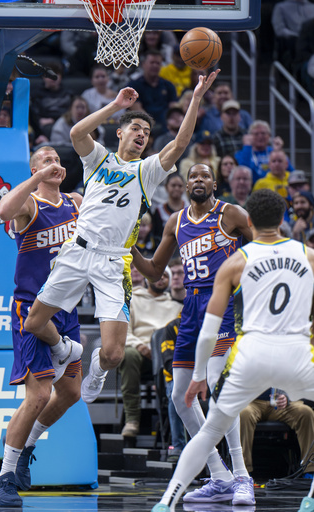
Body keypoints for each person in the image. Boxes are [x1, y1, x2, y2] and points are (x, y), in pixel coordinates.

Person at [23, 73, 220, 409]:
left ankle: (96, 368)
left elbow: (180, 144)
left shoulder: (147, 171)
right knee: (34, 323)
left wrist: (197, 98)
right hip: (77, 251)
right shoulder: (100, 158)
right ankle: (64, 348)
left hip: (113, 262)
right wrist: (115, 105)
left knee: (114, 353)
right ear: (120, 132)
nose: (142, 135)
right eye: (135, 129)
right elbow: (76, 133)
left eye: (146, 132)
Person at [150, 188, 314, 512]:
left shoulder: (235, 262)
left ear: (249, 220)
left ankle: (168, 502)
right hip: (297, 352)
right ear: (284, 219)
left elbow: (209, 329)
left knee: (211, 425)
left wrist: (198, 375)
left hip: (255, 352)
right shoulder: (308, 254)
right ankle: (308, 498)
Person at [132, 163, 254, 505]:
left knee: (214, 388)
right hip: (189, 310)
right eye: (192, 177)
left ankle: (243, 475)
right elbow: (155, 270)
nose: (197, 180)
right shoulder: (176, 221)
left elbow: (262, 245)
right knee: (180, 397)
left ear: (214, 183)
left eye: (204, 176)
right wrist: (129, 248)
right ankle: (219, 475)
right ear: (186, 185)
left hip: (221, 305)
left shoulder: (230, 214)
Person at [0, 146, 83, 507]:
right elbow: (3, 211)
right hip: (31, 308)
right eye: (46, 160)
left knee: (71, 393)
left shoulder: (75, 202)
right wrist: (36, 180)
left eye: (57, 161)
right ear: (33, 169)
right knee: (39, 395)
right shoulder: (29, 204)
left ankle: (26, 449)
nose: (54, 164)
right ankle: (4, 477)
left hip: (68, 309)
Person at [119, 269, 182, 437]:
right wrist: (141, 347)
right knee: (129, 355)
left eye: (165, 275)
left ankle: (174, 428)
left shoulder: (177, 307)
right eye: (158, 274)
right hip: (141, 352)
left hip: (167, 355)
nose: (161, 277)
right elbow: (124, 333)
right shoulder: (132, 301)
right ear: (147, 278)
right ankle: (132, 420)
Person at [240, 388, 314, 476]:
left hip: (281, 403)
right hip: (251, 402)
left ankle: (309, 469)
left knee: (305, 412)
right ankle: (243, 471)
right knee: (243, 413)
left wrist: (286, 395)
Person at [126, 50, 178, 136]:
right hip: (143, 126)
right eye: (152, 62)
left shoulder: (168, 85)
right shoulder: (133, 85)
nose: (155, 65)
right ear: (144, 64)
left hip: (166, 126)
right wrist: (151, 126)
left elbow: (173, 109)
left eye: (158, 63)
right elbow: (136, 109)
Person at [160, 314, 187, 462]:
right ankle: (178, 446)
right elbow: (168, 360)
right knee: (176, 396)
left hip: (204, 376)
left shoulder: (210, 323)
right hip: (176, 376)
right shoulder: (173, 327)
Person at [235, 120, 294, 184]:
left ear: (269, 136)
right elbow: (243, 174)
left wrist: (278, 152)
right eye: (256, 134)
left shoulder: (274, 151)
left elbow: (291, 173)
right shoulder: (242, 154)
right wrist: (247, 147)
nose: (260, 136)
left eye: (263, 133)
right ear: (250, 136)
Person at [153, 174, 189, 240]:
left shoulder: (190, 209)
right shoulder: (159, 210)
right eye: (173, 185)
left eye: (180, 186)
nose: (177, 188)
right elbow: (157, 235)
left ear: (184, 188)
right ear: (166, 187)